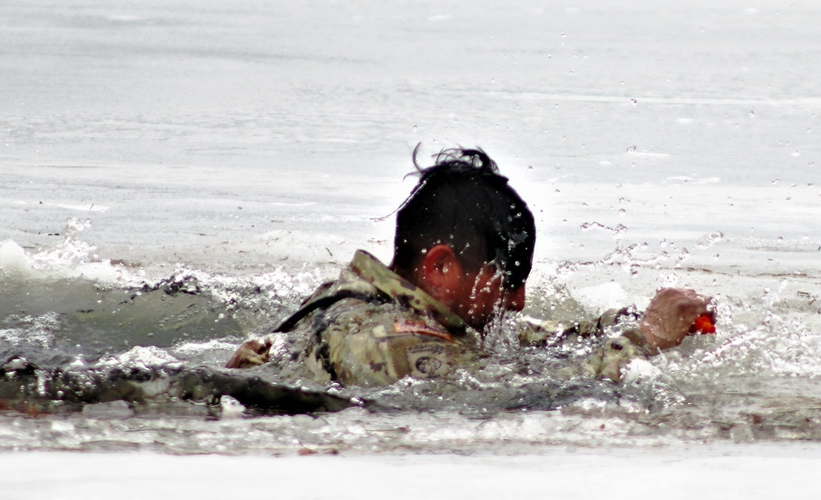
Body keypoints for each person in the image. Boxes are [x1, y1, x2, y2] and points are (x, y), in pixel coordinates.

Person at [226, 147, 714, 386]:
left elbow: (529, 344)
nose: (518, 300)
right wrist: (643, 341)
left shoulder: (359, 300)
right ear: (442, 266)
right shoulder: (389, 343)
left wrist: (624, 325)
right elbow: (521, 396)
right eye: (509, 281)